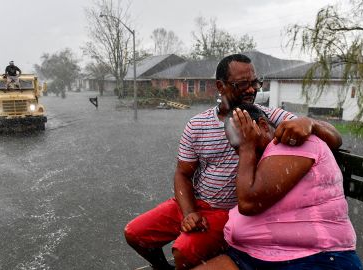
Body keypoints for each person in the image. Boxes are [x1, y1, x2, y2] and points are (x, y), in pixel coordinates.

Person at [124, 54, 343, 270]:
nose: (252, 89)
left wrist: (310, 123)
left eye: (255, 82)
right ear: (220, 86)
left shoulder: (264, 117)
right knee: (135, 234)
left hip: (228, 213)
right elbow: (183, 173)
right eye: (243, 84)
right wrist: (190, 211)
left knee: (183, 251)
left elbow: (334, 138)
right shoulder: (197, 125)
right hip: (195, 202)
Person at [193, 104, 363, 270]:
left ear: (263, 125)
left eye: (245, 138)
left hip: (312, 257)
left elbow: (249, 202)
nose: (240, 151)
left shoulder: (291, 142)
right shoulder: (266, 154)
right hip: (252, 256)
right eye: (236, 147)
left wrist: (247, 147)